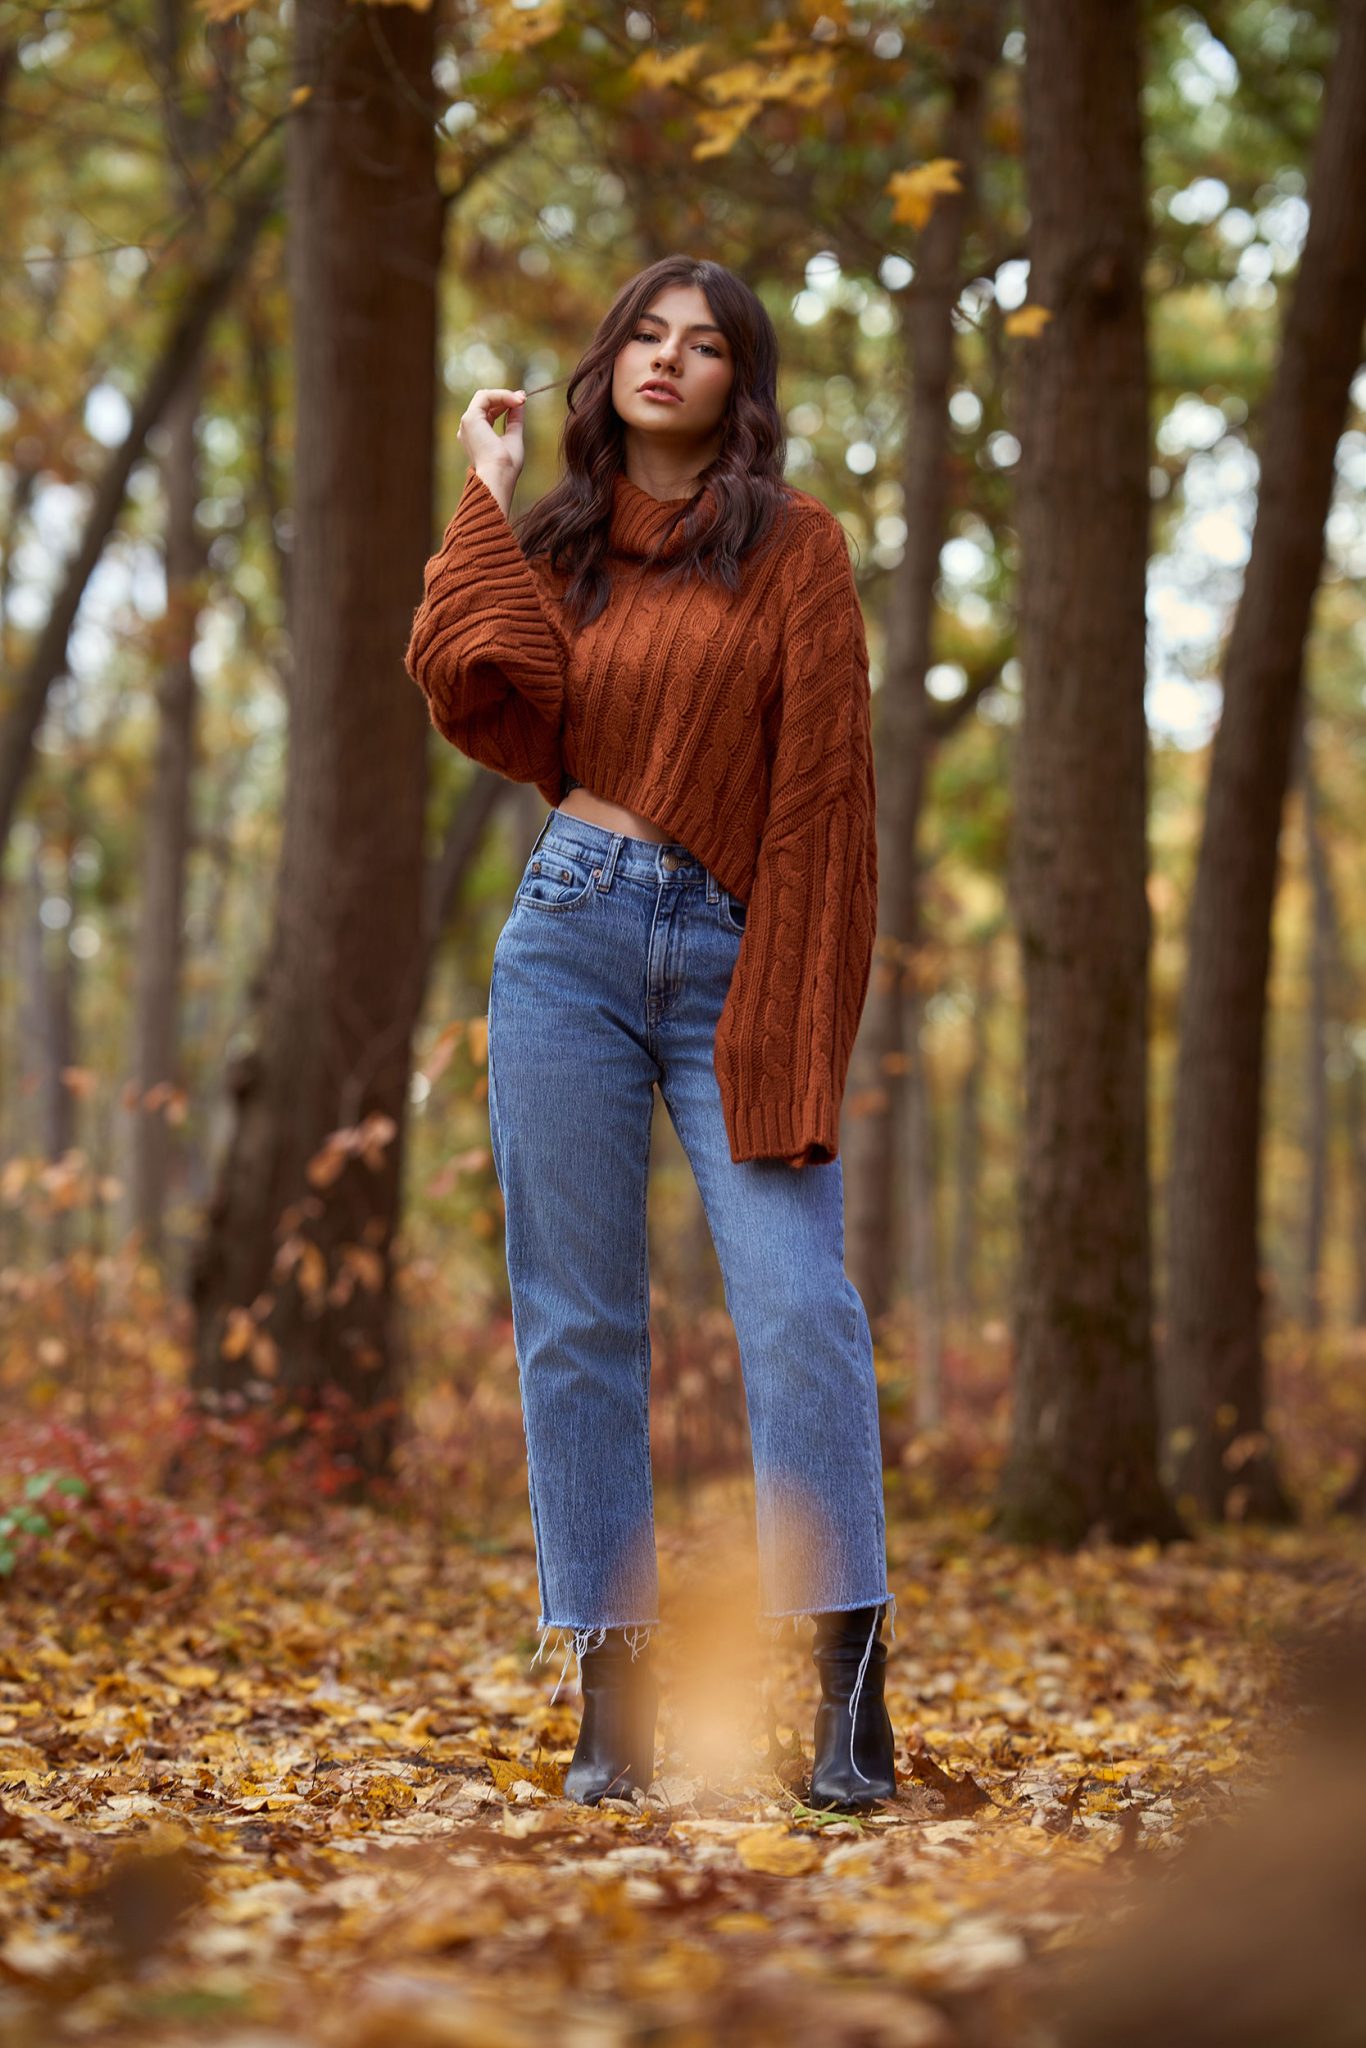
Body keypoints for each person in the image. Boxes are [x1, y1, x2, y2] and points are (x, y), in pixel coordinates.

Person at [404, 255, 896, 1812]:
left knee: (797, 1306)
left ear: (740, 381)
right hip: (567, 938)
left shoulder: (794, 549)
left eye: (703, 344)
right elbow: (472, 678)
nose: (666, 359)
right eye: (643, 335)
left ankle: (846, 1694)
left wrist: (791, 1006)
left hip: (734, 948)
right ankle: (612, 1702)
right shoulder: (559, 549)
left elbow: (825, 797)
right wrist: (484, 497)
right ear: (608, 361)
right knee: (575, 1322)